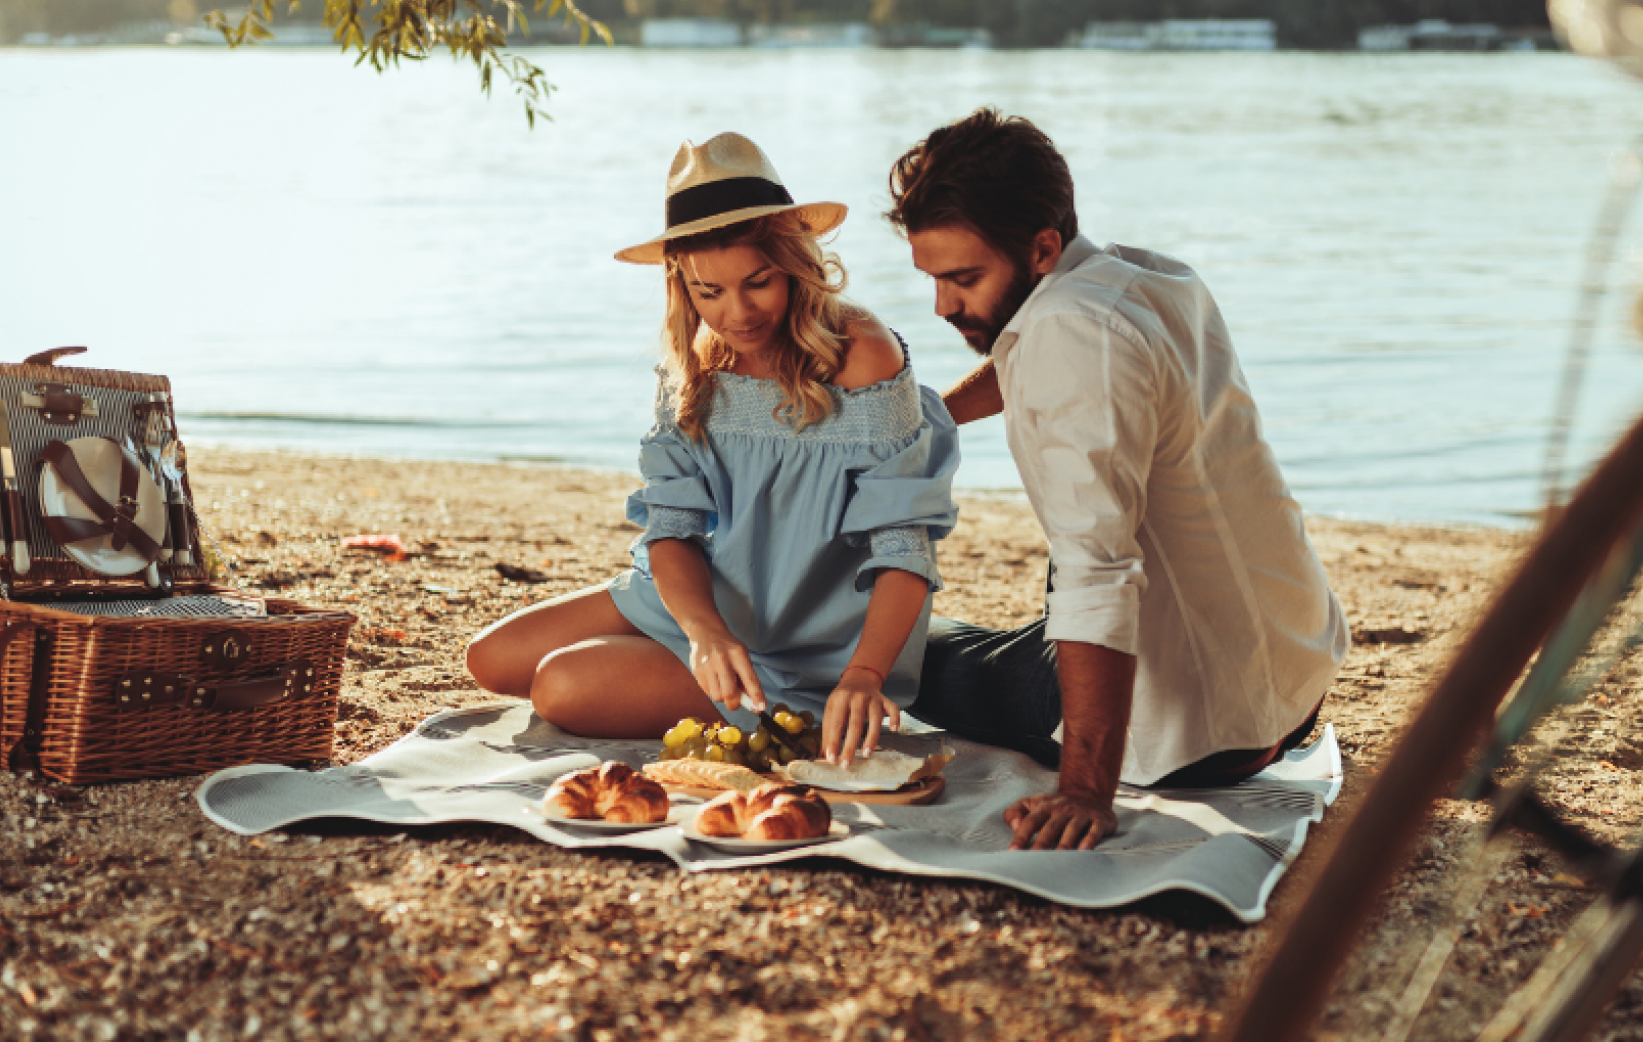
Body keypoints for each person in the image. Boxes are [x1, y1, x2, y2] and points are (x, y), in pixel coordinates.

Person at [886, 109, 1349, 851]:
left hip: (1203, 735)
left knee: (911, 654)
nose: (943, 306)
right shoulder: (1139, 276)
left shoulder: (1072, 339)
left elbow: (1099, 577)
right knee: (1083, 524)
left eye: (962, 279)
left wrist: (1084, 791)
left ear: (1041, 248)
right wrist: (928, 416)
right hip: (1285, 680)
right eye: (934, 278)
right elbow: (1020, 350)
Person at [467, 132, 959, 764]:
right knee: (490, 658)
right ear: (682, 285)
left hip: (807, 645)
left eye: (757, 282)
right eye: (710, 292)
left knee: (559, 684)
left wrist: (865, 672)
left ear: (794, 265)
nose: (737, 313)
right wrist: (702, 631)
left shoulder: (862, 353)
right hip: (700, 604)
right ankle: (688, 657)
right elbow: (671, 527)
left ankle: (752, 686)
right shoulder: (692, 362)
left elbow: (903, 542)